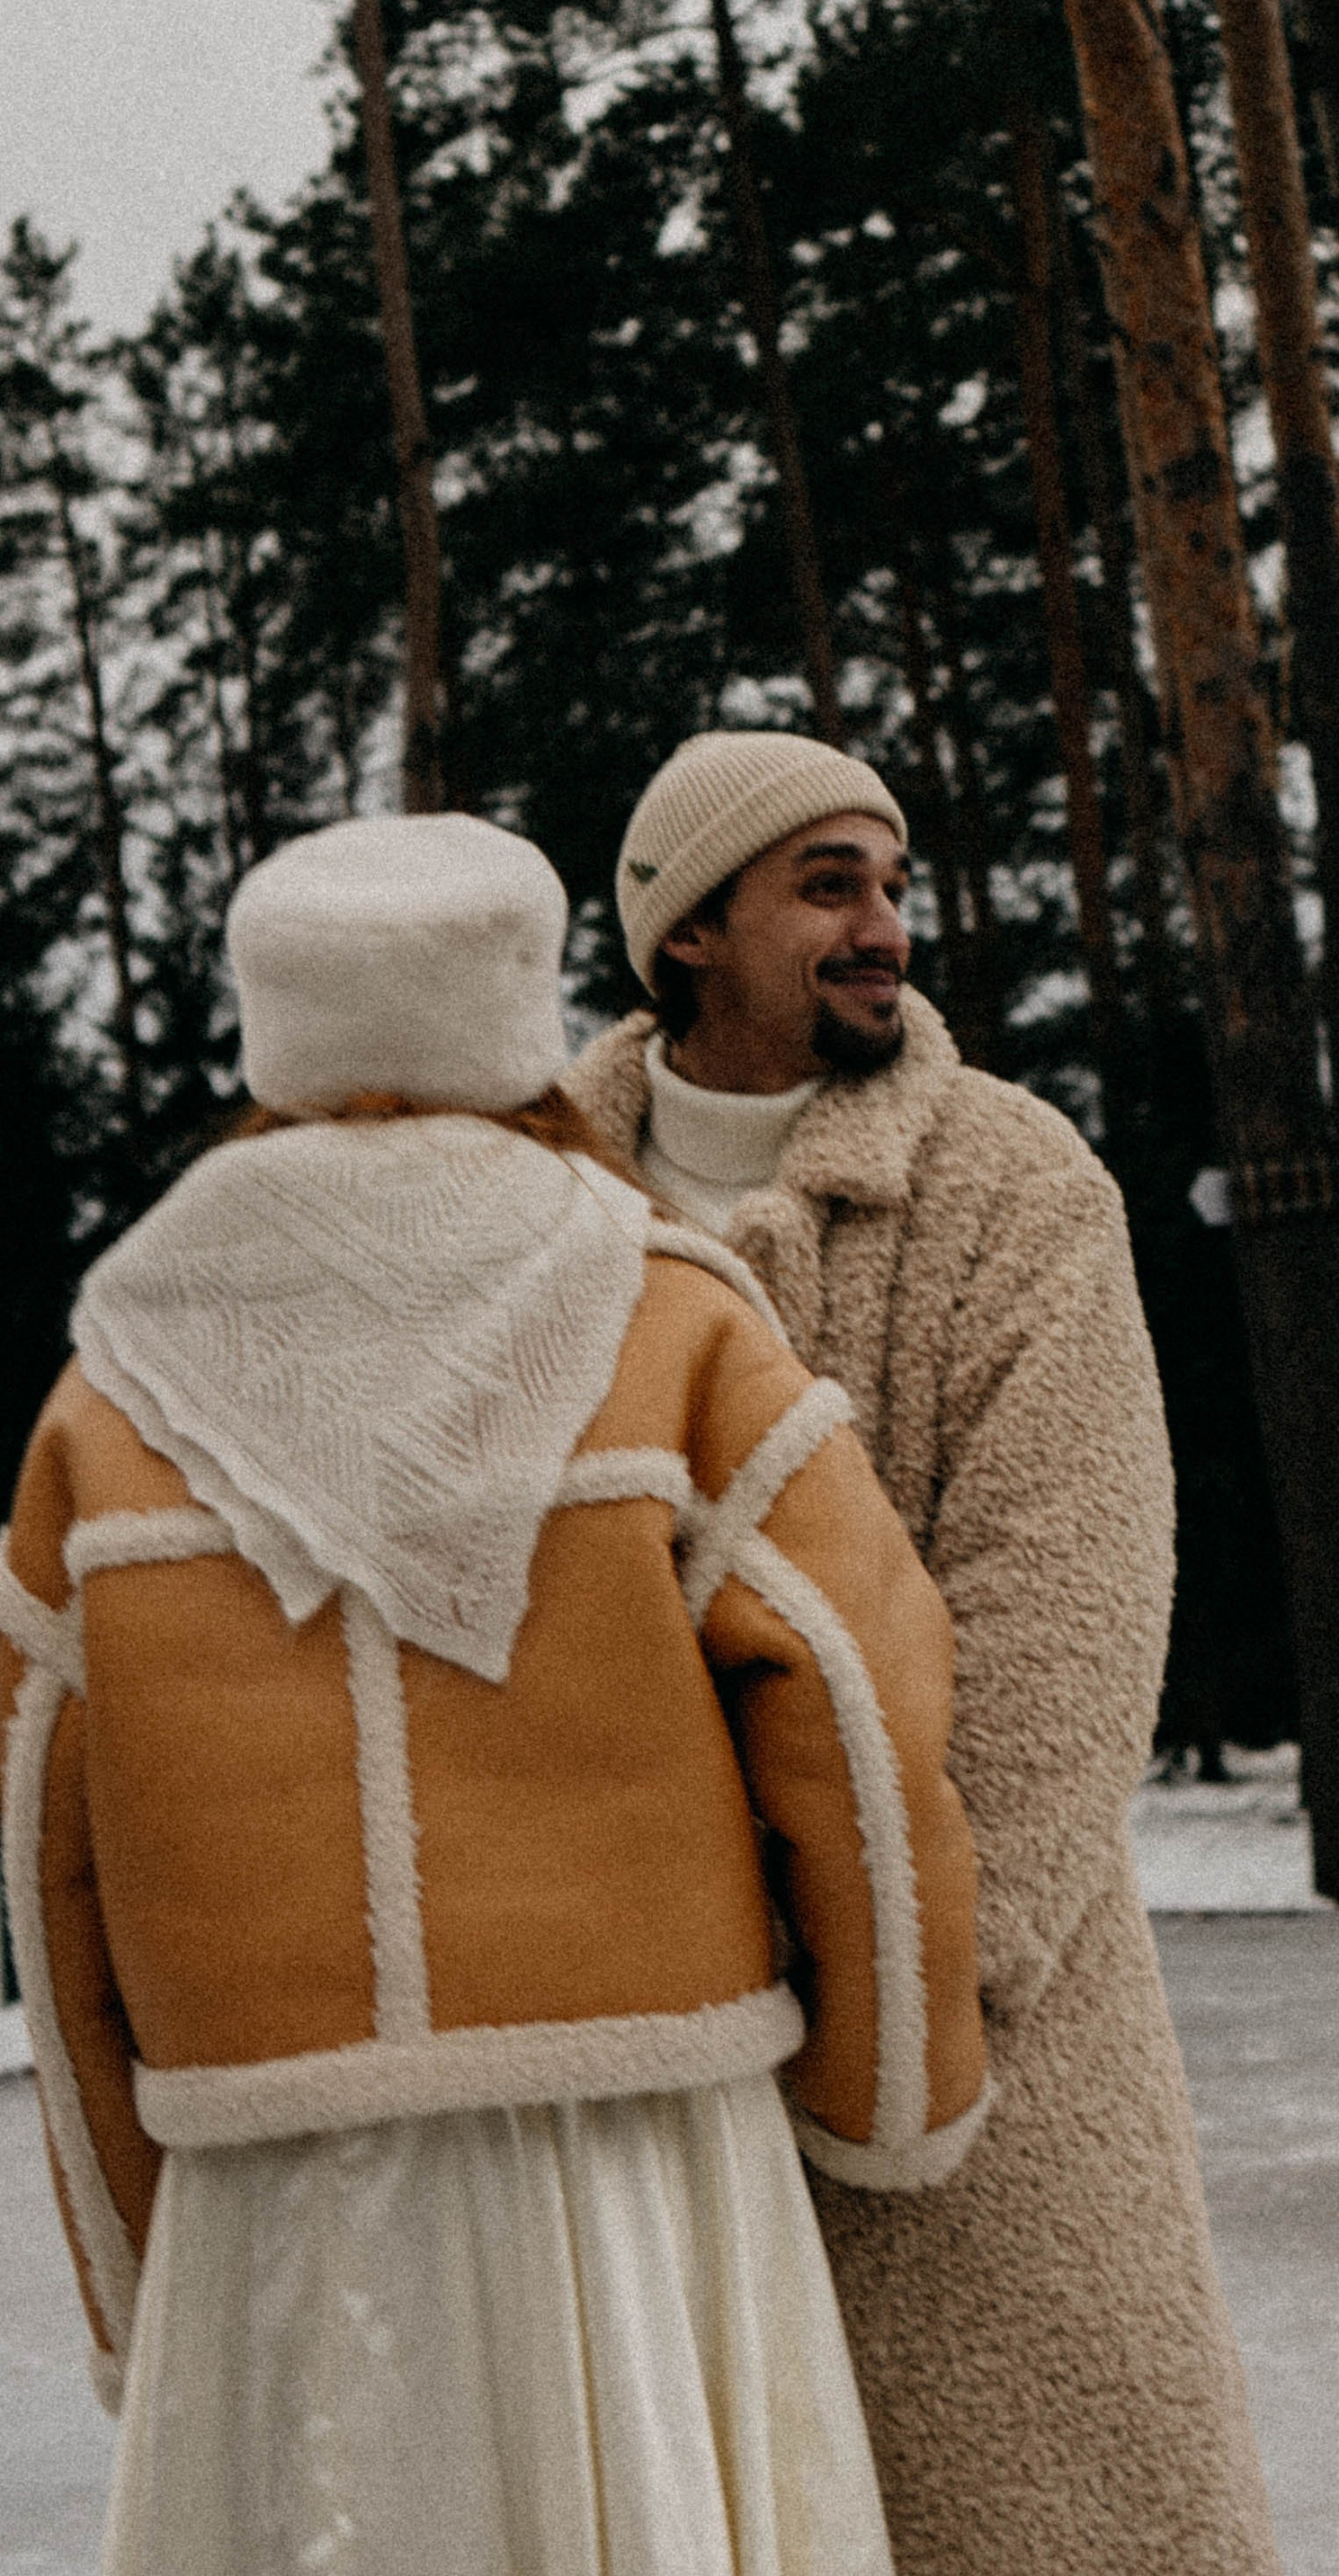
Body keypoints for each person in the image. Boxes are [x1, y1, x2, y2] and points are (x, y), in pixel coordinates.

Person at [0, 812, 986, 2576]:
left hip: (269, 2182)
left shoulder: (109, 1378)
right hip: (632, 2160)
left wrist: (141, 2258)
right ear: (512, 1014)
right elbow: (853, 1698)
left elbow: (41, 1841)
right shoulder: (670, 1306)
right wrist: (884, 2091)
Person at [567, 730, 1283, 2576]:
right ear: (687, 935)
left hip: (979, 2040)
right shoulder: (537, 1214)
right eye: (827, 886)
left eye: (892, 884)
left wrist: (922, 1991)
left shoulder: (1011, 1183)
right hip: (631, 2037)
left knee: (1039, 2520)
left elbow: (1070, 1613)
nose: (886, 925)